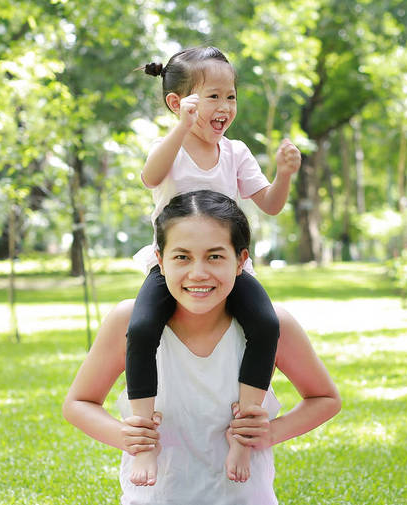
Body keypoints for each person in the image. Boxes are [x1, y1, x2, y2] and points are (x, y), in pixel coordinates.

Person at [63, 190, 341, 504]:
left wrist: (272, 433)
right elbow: (78, 403)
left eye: (215, 256)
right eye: (182, 256)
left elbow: (325, 398)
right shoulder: (127, 322)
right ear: (160, 261)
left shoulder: (275, 326)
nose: (198, 273)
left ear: (240, 261)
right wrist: (127, 437)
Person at [127, 46, 301, 485]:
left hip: (228, 268)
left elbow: (272, 205)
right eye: (213, 97)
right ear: (177, 103)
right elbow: (151, 176)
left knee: (264, 323)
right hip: (174, 268)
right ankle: (145, 443)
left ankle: (243, 432)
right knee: (143, 328)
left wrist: (283, 174)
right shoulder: (169, 149)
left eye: (231, 97)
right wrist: (182, 128)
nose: (225, 108)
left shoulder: (236, 152)